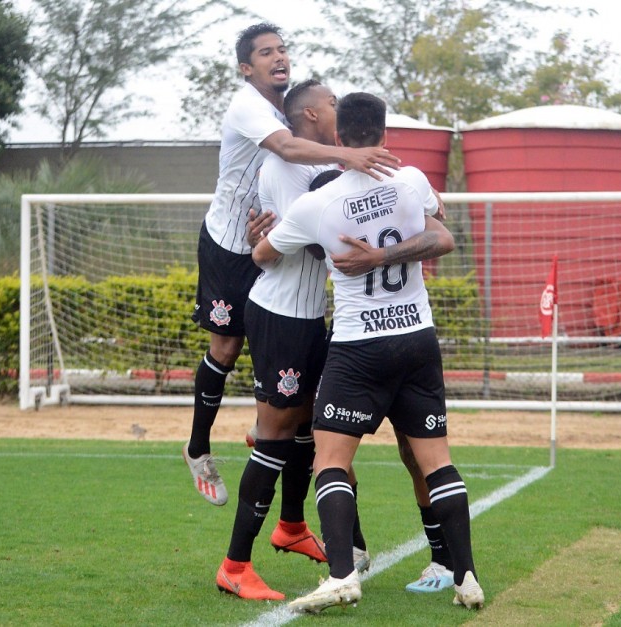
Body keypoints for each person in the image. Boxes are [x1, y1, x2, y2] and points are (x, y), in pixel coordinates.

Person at [253, 92, 485, 613]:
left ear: (337, 140)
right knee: (436, 461)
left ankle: (341, 576)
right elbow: (440, 232)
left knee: (330, 462)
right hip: (417, 338)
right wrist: (388, 252)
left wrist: (268, 235)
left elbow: (262, 254)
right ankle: (466, 577)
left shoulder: (318, 203)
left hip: (359, 346)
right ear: (386, 135)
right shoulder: (413, 180)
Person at [183, 22, 400, 507]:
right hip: (226, 243)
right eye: (265, 52)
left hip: (263, 244)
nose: (278, 57)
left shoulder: (290, 110)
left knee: (274, 334)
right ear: (246, 68)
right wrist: (353, 153)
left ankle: (267, 429)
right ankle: (198, 448)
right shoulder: (248, 106)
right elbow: (285, 148)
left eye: (282, 49)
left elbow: (317, 173)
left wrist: (415, 200)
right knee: (226, 346)